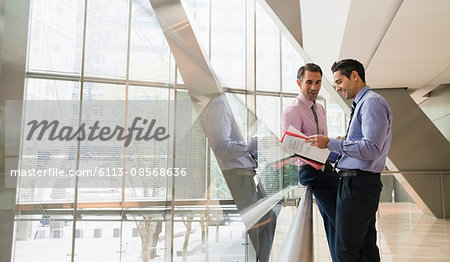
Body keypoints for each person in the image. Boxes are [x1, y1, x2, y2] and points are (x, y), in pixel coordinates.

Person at [307, 59, 392, 262]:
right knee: (365, 248)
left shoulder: (371, 102)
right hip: (358, 184)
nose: (337, 88)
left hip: (358, 185)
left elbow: (371, 149)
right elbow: (363, 146)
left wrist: (331, 144)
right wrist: (338, 145)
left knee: (345, 249)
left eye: (339, 82)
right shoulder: (363, 103)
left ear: (355, 76)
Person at [200, 94, 277, 262]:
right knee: (254, 230)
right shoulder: (220, 105)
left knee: (268, 219)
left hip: (247, 176)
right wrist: (251, 146)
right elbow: (221, 148)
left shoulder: (231, 105)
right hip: (238, 177)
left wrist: (253, 146)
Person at [281, 63, 339, 261]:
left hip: (326, 168)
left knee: (334, 225)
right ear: (299, 83)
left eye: (318, 82)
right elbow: (290, 147)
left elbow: (323, 140)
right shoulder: (292, 110)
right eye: (309, 82)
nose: (314, 87)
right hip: (312, 171)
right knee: (341, 222)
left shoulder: (320, 108)